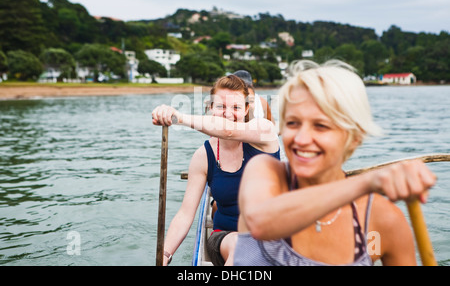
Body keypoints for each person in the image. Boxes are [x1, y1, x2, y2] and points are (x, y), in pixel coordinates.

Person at [234, 60, 437, 266]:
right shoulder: (265, 171)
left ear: (355, 137)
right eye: (293, 123)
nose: (301, 139)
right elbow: (261, 224)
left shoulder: (382, 219)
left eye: (321, 126)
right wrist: (367, 182)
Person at [152, 74, 280, 266]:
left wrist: (177, 116)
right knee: (242, 248)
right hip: (227, 238)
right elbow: (185, 214)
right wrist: (165, 255)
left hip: (273, 235)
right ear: (211, 107)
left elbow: (228, 130)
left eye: (236, 107)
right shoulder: (203, 156)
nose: (228, 113)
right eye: (221, 106)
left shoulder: (265, 131)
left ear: (246, 109)